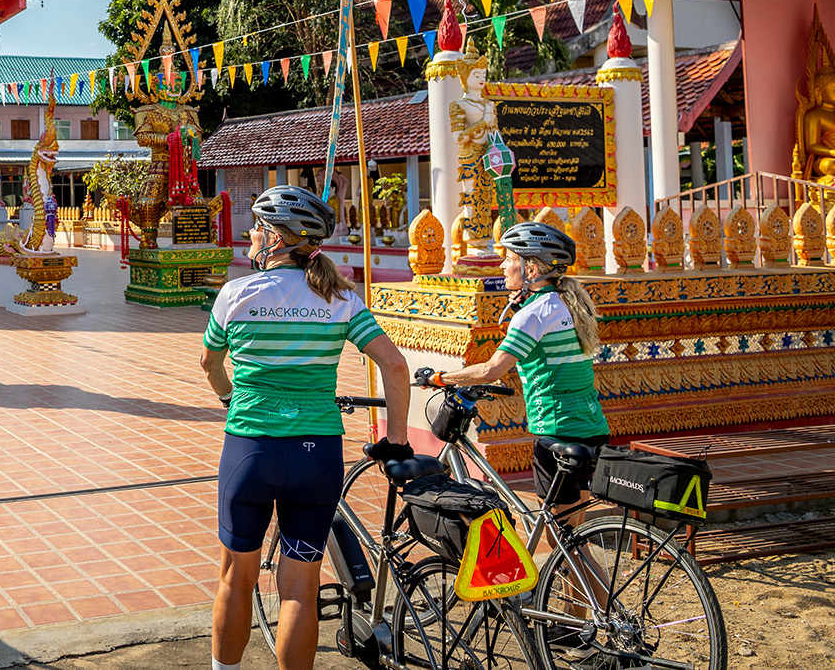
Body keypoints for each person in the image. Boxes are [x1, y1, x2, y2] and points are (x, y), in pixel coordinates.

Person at [201, 185, 411, 670]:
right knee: (300, 586)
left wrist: (230, 398)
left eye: (258, 226)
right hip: (317, 456)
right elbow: (395, 366)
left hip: (251, 449)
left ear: (276, 239)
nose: (251, 233)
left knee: (236, 577)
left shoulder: (236, 293)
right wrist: (397, 437)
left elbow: (209, 363)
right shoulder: (339, 297)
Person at [420, 220, 608, 522]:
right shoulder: (571, 303)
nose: (503, 266)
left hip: (556, 429)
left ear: (531, 270)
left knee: (558, 533)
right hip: (592, 427)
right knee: (576, 533)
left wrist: (438, 377)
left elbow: (491, 371)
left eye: (509, 259)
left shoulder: (534, 313)